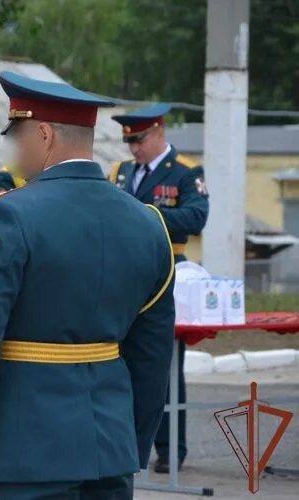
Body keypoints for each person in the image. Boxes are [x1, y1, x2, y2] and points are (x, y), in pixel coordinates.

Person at [0, 71, 176, 500]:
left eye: (19, 136)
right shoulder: (148, 223)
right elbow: (153, 351)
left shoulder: (10, 216)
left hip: (27, 448)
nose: (16, 150)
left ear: (45, 134)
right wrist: (133, 442)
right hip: (111, 445)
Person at [109, 103, 209, 473]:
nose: (134, 148)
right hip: (123, 272)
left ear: (159, 132)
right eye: (130, 141)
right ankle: (126, 440)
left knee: (163, 364)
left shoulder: (184, 171)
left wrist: (146, 214)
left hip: (168, 270)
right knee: (121, 359)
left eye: (140, 139)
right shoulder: (120, 173)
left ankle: (170, 449)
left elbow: (197, 216)